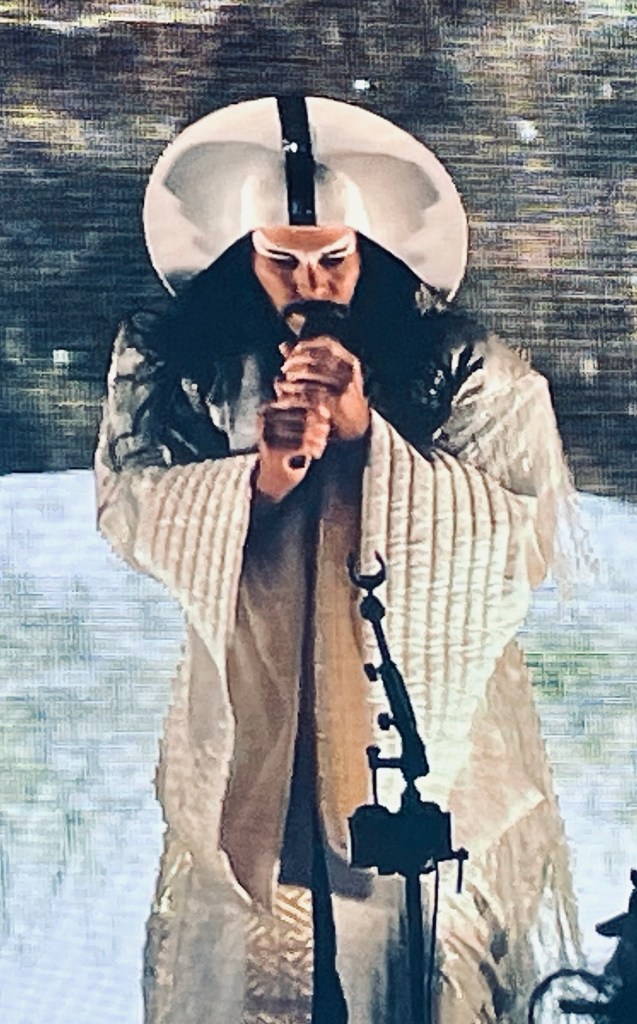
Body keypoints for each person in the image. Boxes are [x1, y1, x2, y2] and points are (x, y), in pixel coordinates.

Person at [95, 96, 580, 1024]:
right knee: (239, 976)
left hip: (426, 748)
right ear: (243, 254)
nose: (307, 282)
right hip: (247, 720)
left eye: (333, 259)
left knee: (418, 974)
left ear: (373, 252)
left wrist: (366, 441)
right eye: (279, 259)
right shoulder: (178, 365)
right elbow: (130, 508)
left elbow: (514, 547)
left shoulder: (473, 370)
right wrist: (263, 479)